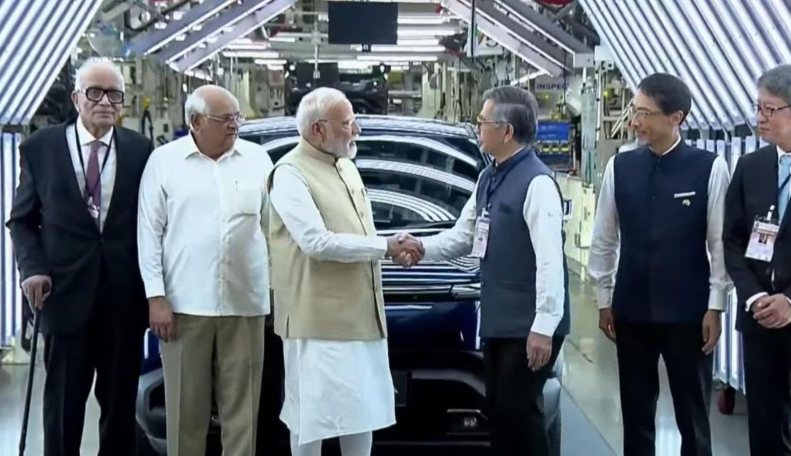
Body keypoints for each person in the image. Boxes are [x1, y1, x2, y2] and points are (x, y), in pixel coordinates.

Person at [399, 86, 569, 456]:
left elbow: (550, 261)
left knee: (520, 416)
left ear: (506, 131)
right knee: (503, 415)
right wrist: (421, 248)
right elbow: (464, 236)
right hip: (499, 321)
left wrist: (543, 327)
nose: (478, 127)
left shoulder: (537, 184)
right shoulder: (489, 178)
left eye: (483, 121)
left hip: (528, 326)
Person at [5, 58, 153, 456]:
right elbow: (22, 221)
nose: (105, 102)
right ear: (75, 98)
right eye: (95, 92)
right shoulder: (41, 148)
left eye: (114, 94)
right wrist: (32, 270)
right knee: (63, 408)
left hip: (123, 300)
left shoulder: (140, 150)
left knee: (120, 409)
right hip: (63, 296)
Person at [266, 87, 422, 456]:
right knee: (311, 419)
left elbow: (360, 235)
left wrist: (390, 251)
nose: (357, 130)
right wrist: (385, 247)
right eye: (348, 123)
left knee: (360, 414)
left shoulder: (346, 167)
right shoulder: (289, 173)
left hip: (361, 319)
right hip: (316, 324)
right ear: (318, 129)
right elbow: (316, 242)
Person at [587, 73, 732, 456]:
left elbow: (719, 243)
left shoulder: (709, 167)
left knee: (692, 416)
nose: (635, 122)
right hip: (631, 309)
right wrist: (604, 298)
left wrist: (716, 305)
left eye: (645, 113)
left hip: (688, 312)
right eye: (634, 111)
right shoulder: (620, 166)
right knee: (635, 413)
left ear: (676, 117)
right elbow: (604, 238)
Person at [136, 85, 272, 456]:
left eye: (237, 117)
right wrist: (156, 297)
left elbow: (272, 229)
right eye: (224, 118)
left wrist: (276, 291)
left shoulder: (258, 160)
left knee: (243, 414)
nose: (234, 125)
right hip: (184, 306)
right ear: (195, 121)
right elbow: (149, 234)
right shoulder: (164, 162)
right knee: (186, 412)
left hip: (245, 305)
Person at [723, 64, 791, 456]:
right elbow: (732, 239)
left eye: (770, 109)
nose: (760, 118)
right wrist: (754, 296)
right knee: (764, 421)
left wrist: (789, 301)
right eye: (758, 108)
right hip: (759, 317)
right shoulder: (751, 167)